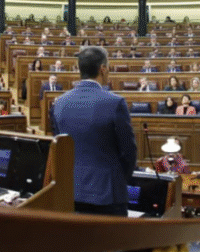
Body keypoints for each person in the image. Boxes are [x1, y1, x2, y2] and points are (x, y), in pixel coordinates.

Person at [50, 45, 137, 217]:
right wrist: (119, 180)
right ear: (102, 69)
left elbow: (59, 149)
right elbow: (129, 152)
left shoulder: (59, 102)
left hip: (71, 192)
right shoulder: (115, 103)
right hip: (108, 195)